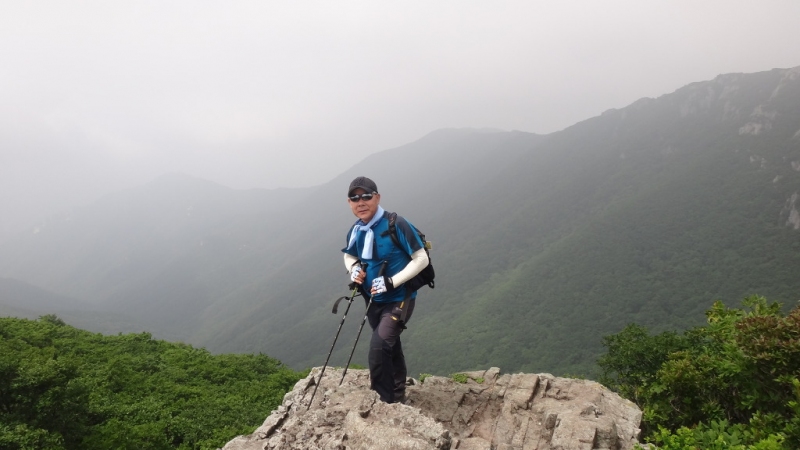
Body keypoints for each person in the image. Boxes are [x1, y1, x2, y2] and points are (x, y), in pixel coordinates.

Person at [342, 176, 429, 403]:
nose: (360, 202)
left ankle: (385, 402)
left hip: (400, 298)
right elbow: (349, 255)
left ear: (377, 197)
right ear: (349, 203)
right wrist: (354, 269)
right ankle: (397, 393)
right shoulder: (357, 229)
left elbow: (421, 259)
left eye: (366, 196)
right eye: (354, 198)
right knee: (390, 344)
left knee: (379, 347)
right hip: (372, 299)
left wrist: (392, 282)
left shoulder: (396, 224)